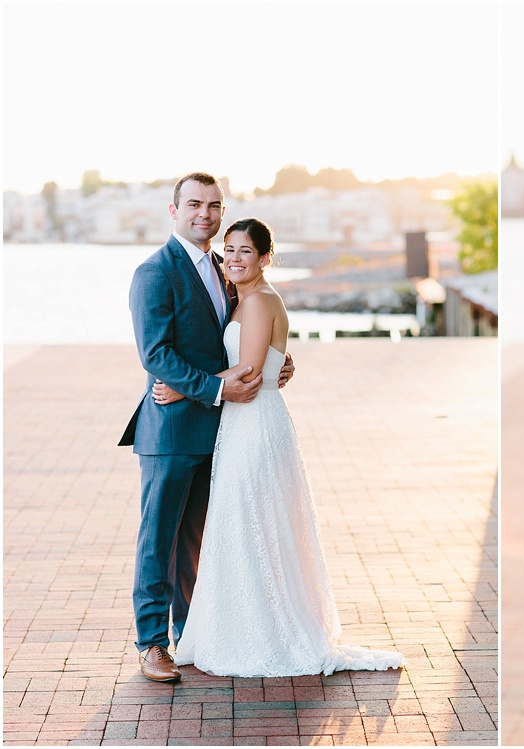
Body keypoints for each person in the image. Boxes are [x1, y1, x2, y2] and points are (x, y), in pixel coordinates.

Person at [153, 217, 405, 677]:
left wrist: (181, 387)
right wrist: (277, 365)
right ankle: (245, 623)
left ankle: (263, 632)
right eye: (228, 250)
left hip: (254, 424)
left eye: (244, 251)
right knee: (248, 526)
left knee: (251, 523)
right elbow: (260, 362)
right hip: (247, 422)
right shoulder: (245, 298)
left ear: (266, 257)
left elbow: (247, 373)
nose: (232, 258)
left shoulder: (258, 302)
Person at [120, 172, 293, 683]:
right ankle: (152, 644)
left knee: (197, 540)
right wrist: (215, 388)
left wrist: (278, 362)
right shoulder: (154, 272)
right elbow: (156, 354)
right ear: (173, 210)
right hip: (171, 429)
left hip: (223, 431)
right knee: (159, 539)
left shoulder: (224, 269)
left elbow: (243, 331)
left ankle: (190, 635)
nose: (206, 214)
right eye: (194, 204)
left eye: (214, 206)